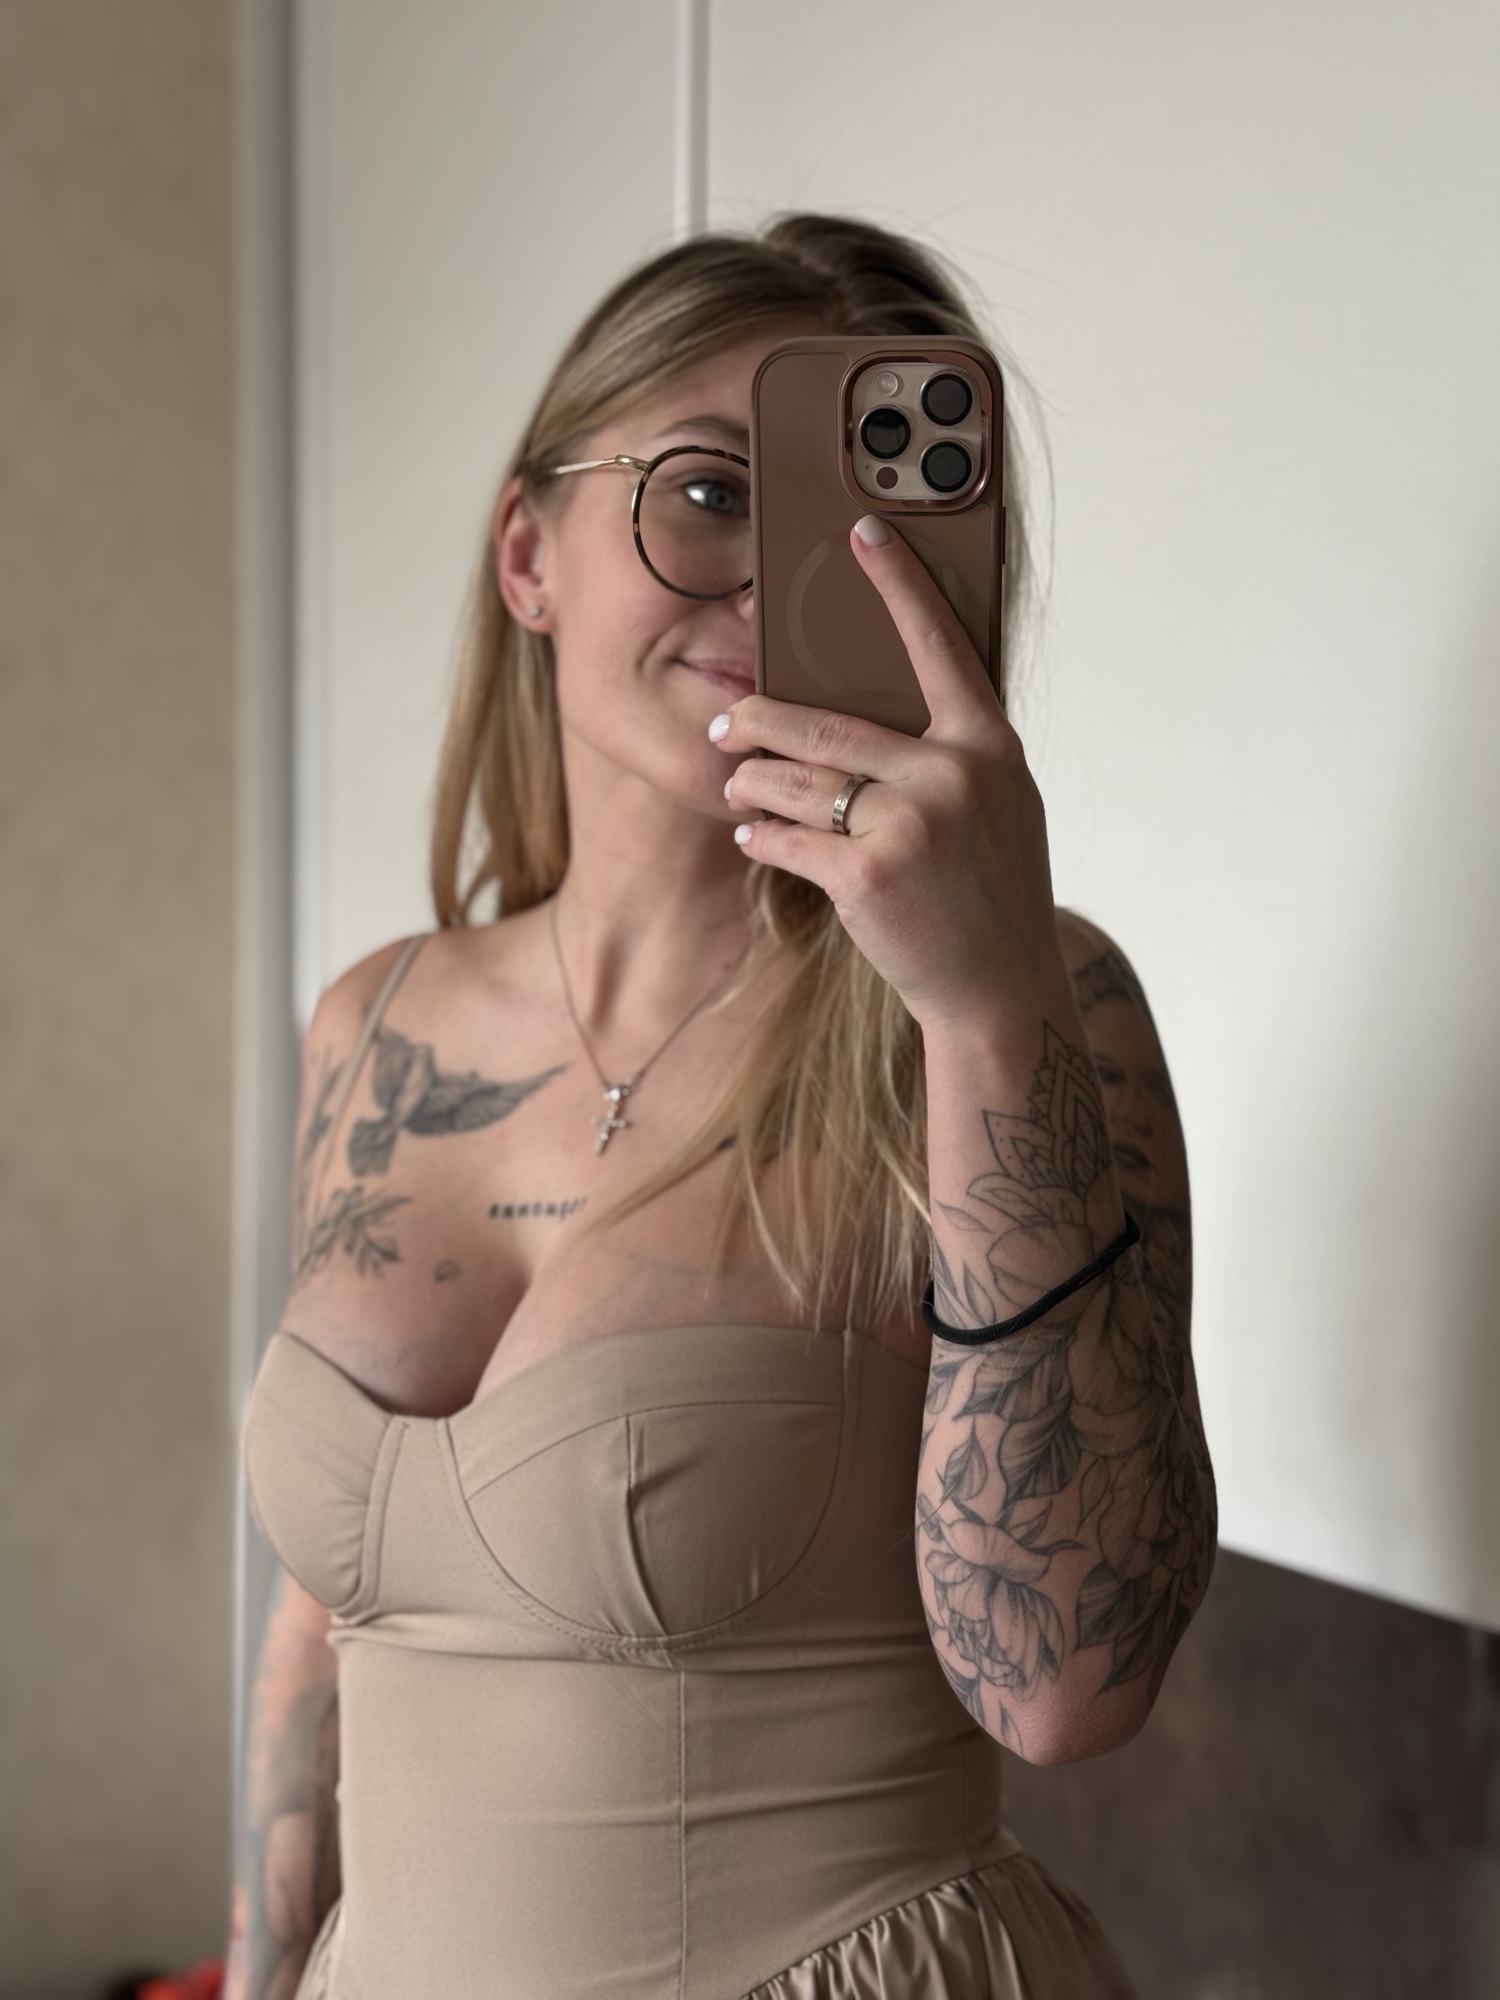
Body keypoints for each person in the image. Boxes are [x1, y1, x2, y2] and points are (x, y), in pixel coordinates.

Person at [226, 213, 1216, 2000]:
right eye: (707, 492)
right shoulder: (374, 1023)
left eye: (866, 523)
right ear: (528, 555)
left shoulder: (1030, 1005)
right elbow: (330, 1614)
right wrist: (259, 1963)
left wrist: (981, 1005)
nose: (776, 584)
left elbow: (1071, 1681)